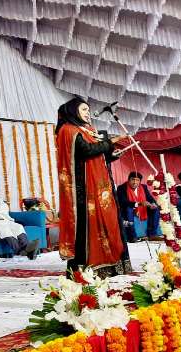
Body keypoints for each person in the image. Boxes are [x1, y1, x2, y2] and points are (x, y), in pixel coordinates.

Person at [55, 97, 131, 278]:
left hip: (100, 187)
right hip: (84, 189)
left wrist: (114, 154)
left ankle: (110, 265)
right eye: (83, 110)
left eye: (88, 110)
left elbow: (98, 154)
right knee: (88, 226)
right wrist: (113, 140)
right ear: (73, 111)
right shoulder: (69, 130)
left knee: (109, 221)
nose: (87, 113)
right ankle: (85, 268)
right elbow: (87, 151)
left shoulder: (89, 130)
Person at [116, 171, 161, 242]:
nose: (135, 182)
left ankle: (152, 235)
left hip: (142, 209)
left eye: (137, 180)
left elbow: (150, 198)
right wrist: (139, 203)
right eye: (133, 179)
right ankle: (132, 236)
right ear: (128, 180)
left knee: (155, 209)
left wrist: (153, 204)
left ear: (140, 181)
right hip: (129, 208)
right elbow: (123, 202)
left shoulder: (143, 187)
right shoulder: (121, 187)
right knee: (128, 209)